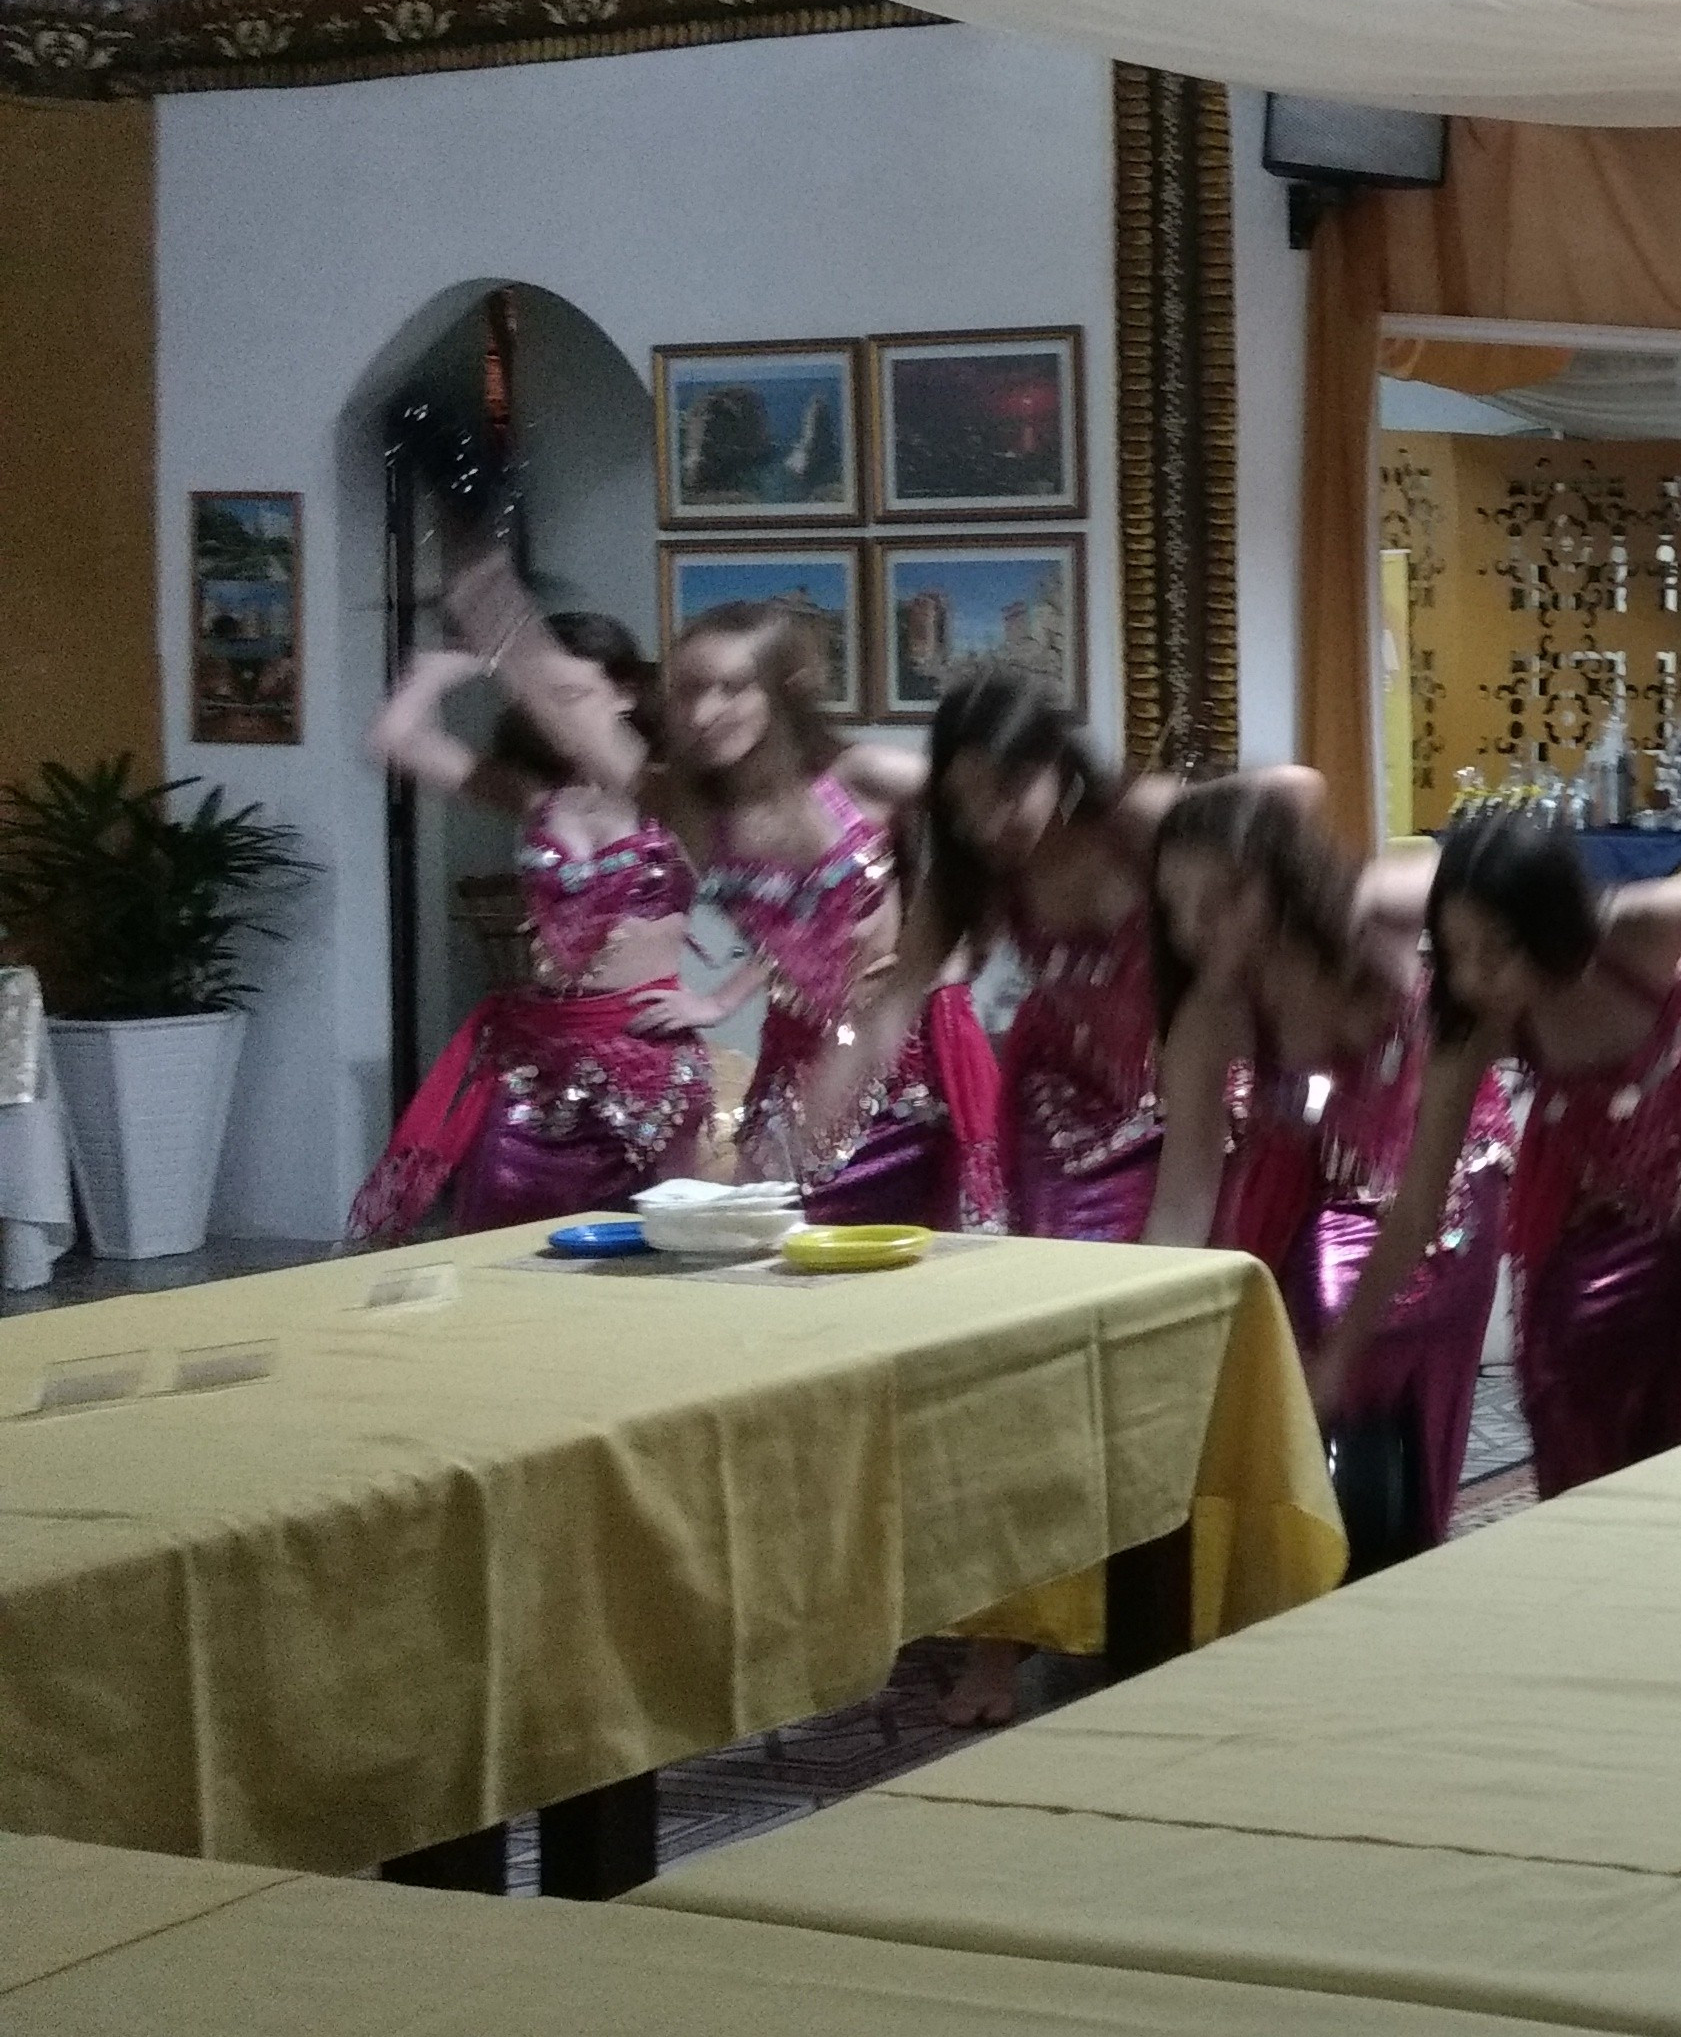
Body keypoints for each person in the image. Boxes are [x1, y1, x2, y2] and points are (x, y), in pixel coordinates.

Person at [448, 559, 999, 1224]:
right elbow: (568, 711)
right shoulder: (691, 808)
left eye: (731, 689)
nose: (705, 713)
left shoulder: (862, 778)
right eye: (687, 692)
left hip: (904, 1071)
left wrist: (953, 950)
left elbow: (1001, 812)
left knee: (907, 1262)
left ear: (783, 689)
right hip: (793, 1063)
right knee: (772, 1254)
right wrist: (492, 599)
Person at [1317, 806, 1681, 1503]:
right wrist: (1341, 1351)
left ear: (1550, 925)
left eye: (1497, 949)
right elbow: (1416, 1207)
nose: (1475, 975)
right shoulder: (1470, 1024)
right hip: (1591, 1186)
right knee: (1560, 1374)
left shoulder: (1638, 927)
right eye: (1456, 949)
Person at [1140, 781, 1520, 1575]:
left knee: (1339, 1310)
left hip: (1444, 1171)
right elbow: (1182, 1201)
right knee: (1264, 1322)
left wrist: (1340, 1357)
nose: (1196, 927)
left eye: (1223, 898)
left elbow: (1523, 888)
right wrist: (1144, 1332)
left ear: (1280, 881)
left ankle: (1392, 1541)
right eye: (1177, 907)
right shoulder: (1212, 1011)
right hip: (1315, 1188)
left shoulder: (1368, 921)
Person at [342, 620, 716, 1243]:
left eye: (571, 695)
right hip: (536, 1057)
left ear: (624, 694)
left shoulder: (672, 798)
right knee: (502, 1239)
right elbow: (395, 739)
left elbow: (802, 890)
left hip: (644, 1055)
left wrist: (721, 999)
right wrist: (444, 667)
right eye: (537, 699)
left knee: (653, 1244)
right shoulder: (536, 796)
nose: (553, 715)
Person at [881, 671, 1198, 1246]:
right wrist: (812, 1127)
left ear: (1055, 762)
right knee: (1068, 1270)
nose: (987, 823)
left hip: (1186, 1095)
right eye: (964, 804)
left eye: (1008, 790)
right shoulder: (976, 869)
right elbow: (893, 1003)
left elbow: (1292, 796)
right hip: (1061, 1114)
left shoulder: (1135, 819)